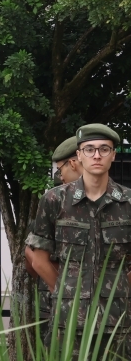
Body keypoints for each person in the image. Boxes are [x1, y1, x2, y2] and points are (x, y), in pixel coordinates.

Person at [25, 124, 129, 356]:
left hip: (117, 323)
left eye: (104, 149)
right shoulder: (54, 200)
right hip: (68, 322)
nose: (97, 155)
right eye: (89, 149)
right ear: (79, 156)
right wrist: (67, 292)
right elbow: (38, 260)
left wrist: (120, 289)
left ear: (113, 155)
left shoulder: (127, 203)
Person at [24, 136, 80, 339]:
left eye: (60, 170)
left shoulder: (118, 203)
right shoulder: (53, 203)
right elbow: (31, 256)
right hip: (55, 302)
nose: (61, 178)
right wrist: (59, 287)